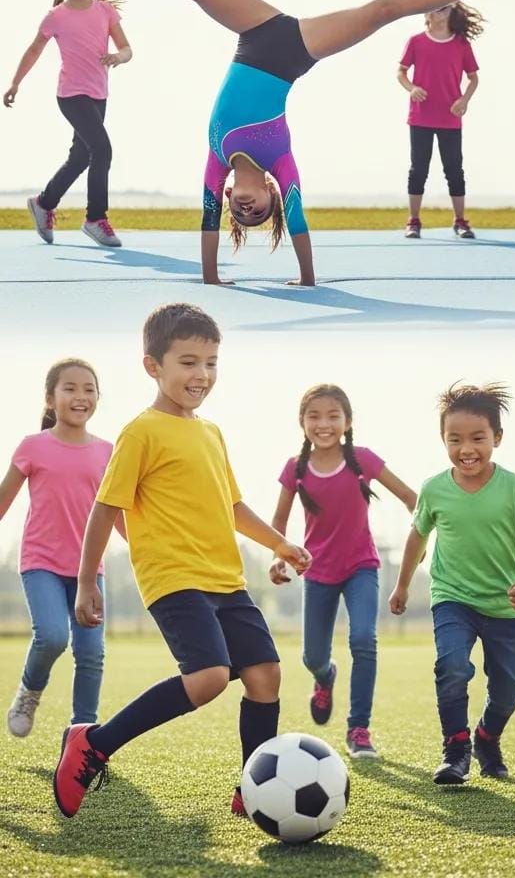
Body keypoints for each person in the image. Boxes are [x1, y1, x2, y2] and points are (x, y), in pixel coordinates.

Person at [66, 0, 515, 285]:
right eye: (259, 211)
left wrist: (210, 278)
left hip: (254, 35)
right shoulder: (281, 162)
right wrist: (307, 279)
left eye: (239, 212)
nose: (246, 208)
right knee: (384, 10)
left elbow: (208, 226)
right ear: (271, 194)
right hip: (293, 50)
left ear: (229, 197)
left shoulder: (216, 162)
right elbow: (299, 222)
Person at [51, 303, 311, 819]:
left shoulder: (211, 433)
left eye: (211, 362)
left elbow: (231, 505)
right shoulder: (141, 431)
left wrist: (279, 543)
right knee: (210, 676)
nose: (202, 375)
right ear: (154, 366)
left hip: (225, 579)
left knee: (265, 677)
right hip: (172, 578)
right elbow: (105, 507)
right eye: (188, 362)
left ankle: (252, 789)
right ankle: (94, 743)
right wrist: (86, 582)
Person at [388, 383, 515, 784]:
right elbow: (417, 537)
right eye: (454, 439)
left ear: (498, 438)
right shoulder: (434, 488)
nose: (466, 448)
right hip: (452, 597)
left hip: (504, 605)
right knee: (452, 666)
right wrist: (403, 585)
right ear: (443, 440)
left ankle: (487, 738)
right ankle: (456, 749)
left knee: (509, 687)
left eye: (478, 438)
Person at [269, 383, 416, 760]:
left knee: (364, 639)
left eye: (333, 415)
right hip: (316, 570)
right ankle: (325, 677)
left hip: (361, 567)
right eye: (314, 416)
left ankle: (359, 729)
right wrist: (278, 557)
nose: (324, 423)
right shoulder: (296, 469)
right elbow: (279, 523)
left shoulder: (362, 460)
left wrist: (427, 527)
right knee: (311, 657)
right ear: (302, 423)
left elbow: (411, 498)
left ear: (348, 422)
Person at [1, 360, 118, 738]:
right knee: (52, 636)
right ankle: (29, 692)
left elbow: (118, 514)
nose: (80, 396)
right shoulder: (33, 447)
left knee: (91, 653)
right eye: (70, 388)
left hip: (89, 568)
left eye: (89, 388)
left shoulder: (108, 452)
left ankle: (82, 735)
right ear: (50, 399)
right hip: (41, 562)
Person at [4, 0, 131, 248]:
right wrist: (15, 83)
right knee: (102, 149)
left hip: (99, 94)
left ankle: (44, 203)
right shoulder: (56, 17)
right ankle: (95, 219)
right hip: (71, 95)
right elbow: (34, 50)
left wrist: (118, 57)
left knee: (80, 157)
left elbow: (127, 48)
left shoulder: (105, 12)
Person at [398, 2, 482, 239]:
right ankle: (413, 221)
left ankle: (460, 221)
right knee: (418, 171)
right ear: (427, 13)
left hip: (450, 118)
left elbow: (473, 79)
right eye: (436, 7)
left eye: (446, 8)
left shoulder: (461, 44)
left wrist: (464, 101)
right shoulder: (416, 41)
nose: (441, 11)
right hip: (420, 117)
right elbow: (401, 72)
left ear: (451, 12)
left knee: (454, 171)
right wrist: (411, 88)